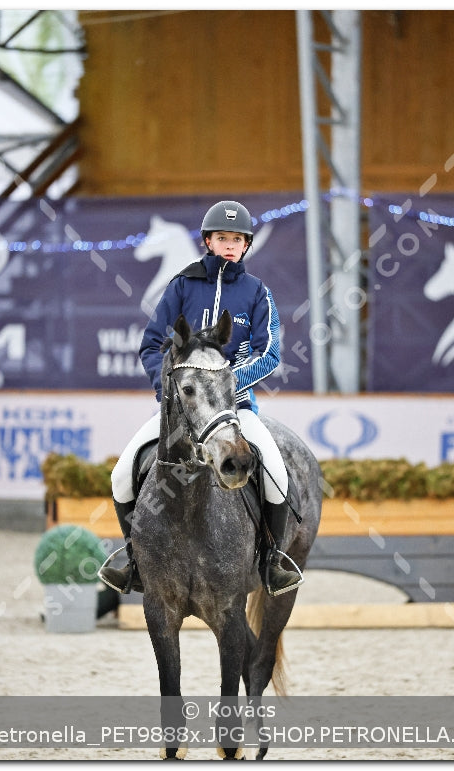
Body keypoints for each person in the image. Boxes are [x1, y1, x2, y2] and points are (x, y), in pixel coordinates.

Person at [100, 200, 301, 596]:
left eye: (237, 239)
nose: (230, 245)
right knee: (122, 475)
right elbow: (152, 345)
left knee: (277, 474)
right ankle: (134, 558)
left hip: (236, 410)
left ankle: (272, 561)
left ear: (246, 246)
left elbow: (270, 353)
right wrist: (171, 395)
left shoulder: (258, 293)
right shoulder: (181, 285)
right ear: (208, 241)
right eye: (222, 238)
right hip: (181, 414)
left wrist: (222, 386)